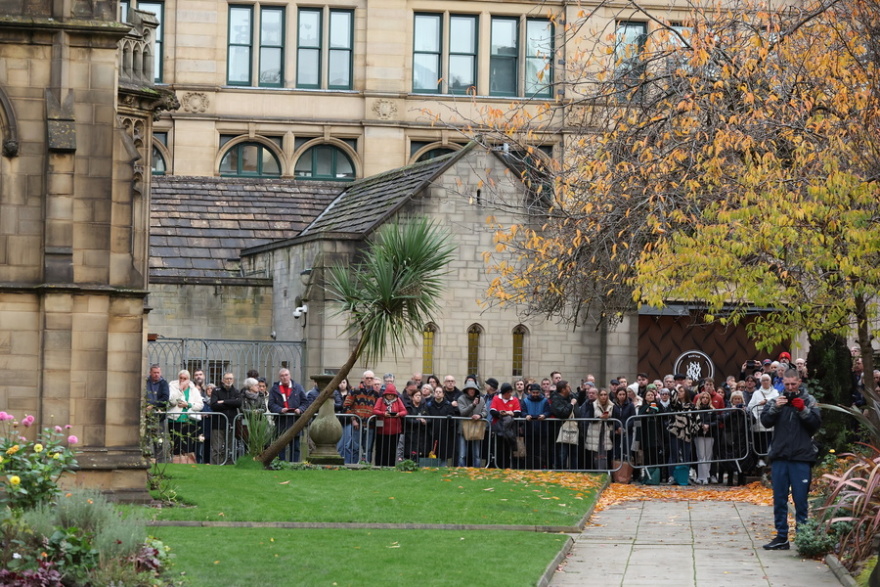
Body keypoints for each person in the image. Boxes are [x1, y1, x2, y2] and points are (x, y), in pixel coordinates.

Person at [760, 369, 821, 550]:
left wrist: (802, 409)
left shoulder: (809, 401)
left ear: (799, 382)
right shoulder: (776, 400)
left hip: (801, 457)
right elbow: (765, 421)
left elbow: (815, 425)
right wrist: (775, 408)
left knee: (800, 499)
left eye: (793, 384)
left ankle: (803, 538)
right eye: (787, 384)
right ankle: (781, 537)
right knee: (779, 499)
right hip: (780, 456)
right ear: (782, 383)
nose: (790, 387)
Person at [268, 369, 308, 462]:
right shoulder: (275, 389)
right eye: (282, 375)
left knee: (295, 446)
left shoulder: (298, 387)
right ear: (279, 377)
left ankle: (294, 465)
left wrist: (300, 409)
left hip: (295, 421)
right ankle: (281, 464)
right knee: (280, 446)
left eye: (286, 375)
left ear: (290, 376)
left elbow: (305, 402)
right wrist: (280, 410)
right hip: (281, 422)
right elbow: (271, 404)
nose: (284, 377)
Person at [341, 370, 379, 464]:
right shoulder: (355, 390)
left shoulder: (376, 393)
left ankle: (367, 466)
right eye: (367, 378)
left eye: (371, 378)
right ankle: (354, 465)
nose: (369, 380)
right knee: (355, 447)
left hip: (370, 425)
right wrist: (353, 420)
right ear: (363, 379)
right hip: (357, 425)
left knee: (368, 448)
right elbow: (346, 406)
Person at [166, 369, 204, 463]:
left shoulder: (193, 389)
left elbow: (200, 405)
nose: (182, 380)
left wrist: (188, 405)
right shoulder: (173, 386)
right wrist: (180, 389)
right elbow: (172, 401)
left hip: (189, 420)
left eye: (185, 378)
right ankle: (176, 463)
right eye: (181, 378)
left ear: (189, 379)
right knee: (176, 445)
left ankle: (187, 464)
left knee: (187, 445)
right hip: (175, 420)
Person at [209, 372, 242, 464]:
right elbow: (214, 405)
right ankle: (217, 465)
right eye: (227, 378)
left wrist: (223, 401)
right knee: (217, 447)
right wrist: (231, 403)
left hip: (231, 423)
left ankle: (229, 464)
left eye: (230, 378)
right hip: (218, 423)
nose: (228, 380)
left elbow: (239, 403)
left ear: (233, 380)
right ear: (223, 380)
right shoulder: (216, 390)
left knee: (230, 446)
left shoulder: (236, 391)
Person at [748, 373, 779, 469]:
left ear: (770, 382)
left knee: (770, 441)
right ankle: (760, 459)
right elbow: (751, 406)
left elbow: (777, 399)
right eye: (763, 380)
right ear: (760, 382)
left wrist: (766, 400)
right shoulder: (756, 393)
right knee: (760, 442)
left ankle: (770, 459)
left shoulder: (775, 392)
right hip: (759, 422)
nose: (765, 382)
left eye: (767, 380)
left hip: (771, 423)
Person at [372, 384, 407, 467]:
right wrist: (383, 414)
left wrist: (398, 414)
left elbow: (404, 411)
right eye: (389, 394)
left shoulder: (398, 400)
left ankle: (390, 466)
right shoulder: (380, 400)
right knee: (381, 449)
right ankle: (379, 466)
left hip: (395, 431)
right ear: (385, 394)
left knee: (392, 450)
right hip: (382, 431)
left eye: (392, 394)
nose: (390, 396)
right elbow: (375, 410)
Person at [581, 388, 615, 471]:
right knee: (594, 452)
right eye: (601, 395)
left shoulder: (612, 405)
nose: (603, 397)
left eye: (605, 394)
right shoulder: (592, 405)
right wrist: (599, 417)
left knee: (606, 452)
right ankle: (593, 471)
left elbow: (615, 420)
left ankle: (606, 471)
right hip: (594, 432)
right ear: (598, 396)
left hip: (606, 432)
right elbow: (588, 418)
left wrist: (608, 418)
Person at [489, 383, 521, 469]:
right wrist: (501, 413)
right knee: (498, 448)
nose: (509, 394)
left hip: (510, 429)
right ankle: (498, 466)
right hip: (498, 428)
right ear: (503, 393)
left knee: (509, 448)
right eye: (507, 392)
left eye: (510, 392)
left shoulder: (514, 400)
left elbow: (518, 412)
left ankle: (507, 466)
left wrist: (511, 413)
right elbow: (492, 411)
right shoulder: (496, 398)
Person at [457, 381, 487, 467]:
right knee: (462, 454)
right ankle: (462, 470)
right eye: (470, 389)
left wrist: (480, 415)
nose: (472, 391)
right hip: (463, 429)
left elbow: (485, 411)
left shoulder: (481, 399)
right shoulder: (461, 399)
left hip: (476, 429)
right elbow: (463, 412)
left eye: (473, 389)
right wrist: (473, 405)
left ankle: (477, 470)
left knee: (476, 454)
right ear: (466, 390)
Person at [521, 382, 551, 469]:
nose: (535, 394)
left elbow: (548, 411)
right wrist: (526, 415)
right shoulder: (525, 401)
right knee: (529, 451)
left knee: (540, 451)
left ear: (539, 392)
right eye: (533, 392)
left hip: (541, 429)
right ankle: (530, 467)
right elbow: (523, 411)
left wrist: (544, 415)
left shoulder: (545, 401)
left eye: (537, 393)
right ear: (530, 392)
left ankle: (539, 467)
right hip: (529, 429)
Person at [426, 385, 457, 465]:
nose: (438, 394)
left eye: (440, 392)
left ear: (443, 394)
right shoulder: (429, 405)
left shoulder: (448, 405)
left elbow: (452, 418)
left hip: (445, 434)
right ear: (434, 394)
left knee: (444, 454)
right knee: (433, 452)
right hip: (432, 433)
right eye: (436, 392)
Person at [145, 364, 170, 462]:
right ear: (150, 372)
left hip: (158, 416)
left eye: (158, 373)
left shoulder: (163, 383)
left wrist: (153, 405)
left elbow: (165, 397)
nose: (156, 375)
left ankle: (159, 461)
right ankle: (145, 459)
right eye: (154, 373)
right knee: (146, 439)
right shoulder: (146, 382)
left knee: (159, 440)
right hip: (146, 416)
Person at [403, 388, 431, 460]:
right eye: (416, 395)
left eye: (419, 395)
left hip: (422, 434)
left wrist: (426, 421)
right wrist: (420, 421)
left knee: (422, 454)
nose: (418, 397)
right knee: (412, 454)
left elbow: (430, 419)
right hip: (411, 434)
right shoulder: (408, 407)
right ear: (412, 397)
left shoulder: (424, 407)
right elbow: (408, 420)